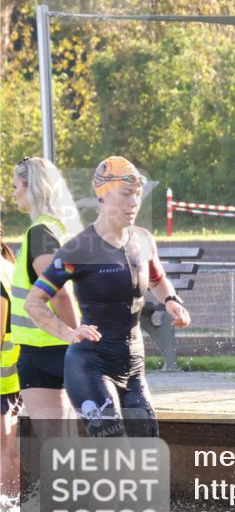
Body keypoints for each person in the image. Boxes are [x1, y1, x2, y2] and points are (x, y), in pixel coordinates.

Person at [24, 157, 191, 437]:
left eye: (137, 195)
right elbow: (34, 302)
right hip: (90, 366)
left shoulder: (143, 240)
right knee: (114, 447)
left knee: (147, 447)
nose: (134, 202)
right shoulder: (78, 250)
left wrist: (171, 300)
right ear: (102, 195)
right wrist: (68, 332)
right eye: (126, 195)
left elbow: (157, 278)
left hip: (133, 365)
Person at [9, 157, 83, 429]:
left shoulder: (40, 233)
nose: (13, 192)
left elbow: (58, 293)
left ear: (32, 188)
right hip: (54, 346)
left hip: (45, 348)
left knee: (55, 444)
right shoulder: (62, 229)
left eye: (16, 185)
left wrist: (74, 335)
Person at [0, 222, 21, 505]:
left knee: (5, 448)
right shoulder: (8, 265)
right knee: (8, 448)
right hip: (14, 371)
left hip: (3, 375)